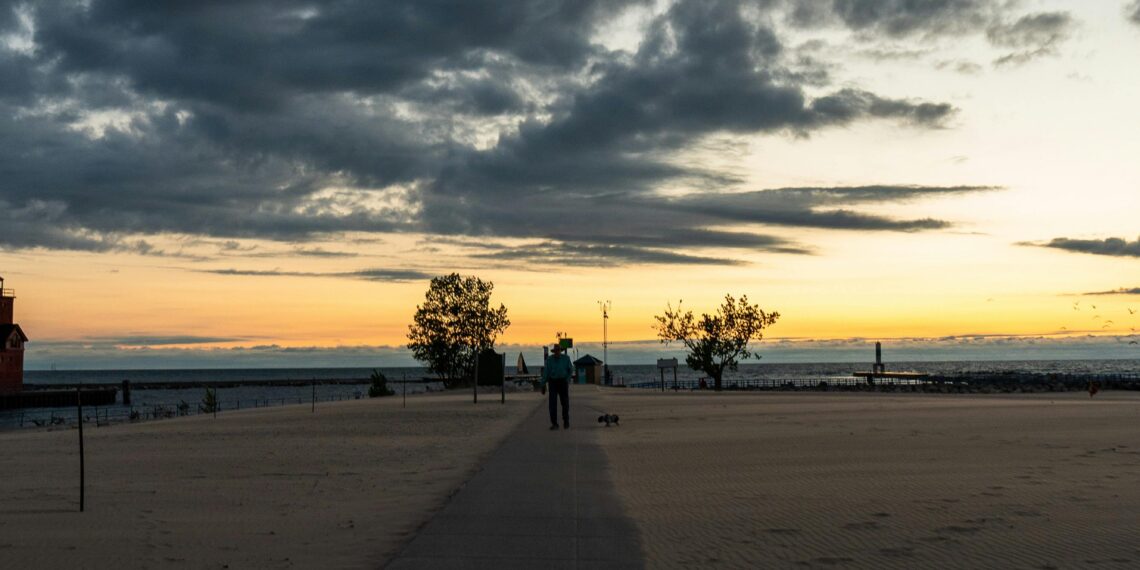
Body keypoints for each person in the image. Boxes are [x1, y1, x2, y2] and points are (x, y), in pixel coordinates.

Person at [542, 344, 574, 430]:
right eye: (556, 351)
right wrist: (543, 384)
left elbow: (571, 370)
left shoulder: (566, 358)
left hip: (563, 382)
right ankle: (554, 424)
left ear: (561, 351)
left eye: (558, 350)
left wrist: (567, 379)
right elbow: (546, 372)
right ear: (554, 351)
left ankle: (566, 421)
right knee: (552, 404)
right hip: (553, 382)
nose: (557, 352)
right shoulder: (549, 360)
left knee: (565, 403)